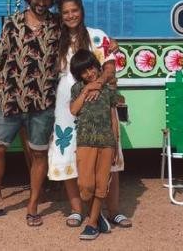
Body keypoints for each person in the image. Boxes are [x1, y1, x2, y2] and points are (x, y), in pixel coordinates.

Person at [0, 0, 60, 227]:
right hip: (11, 98)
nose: (41, 3)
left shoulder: (57, 26)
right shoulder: (13, 23)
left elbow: (79, 43)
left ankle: (33, 206)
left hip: (43, 101)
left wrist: (108, 46)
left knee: (38, 154)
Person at [48, 0, 132, 229]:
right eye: (65, 12)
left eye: (74, 10)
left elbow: (109, 67)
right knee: (69, 154)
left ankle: (113, 210)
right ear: (61, 15)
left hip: (98, 104)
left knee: (108, 157)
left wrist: (97, 85)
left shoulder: (97, 36)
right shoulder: (56, 40)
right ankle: (77, 210)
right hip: (66, 107)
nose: (71, 15)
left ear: (82, 11)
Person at [68, 49, 120, 240]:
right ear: (79, 75)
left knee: (101, 184)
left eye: (91, 69)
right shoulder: (77, 88)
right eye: (84, 72)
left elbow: (113, 117)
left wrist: (115, 143)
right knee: (85, 184)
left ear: (97, 67)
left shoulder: (109, 90)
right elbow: (73, 110)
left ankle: (91, 223)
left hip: (106, 142)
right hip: (85, 142)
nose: (89, 74)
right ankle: (98, 218)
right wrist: (86, 90)